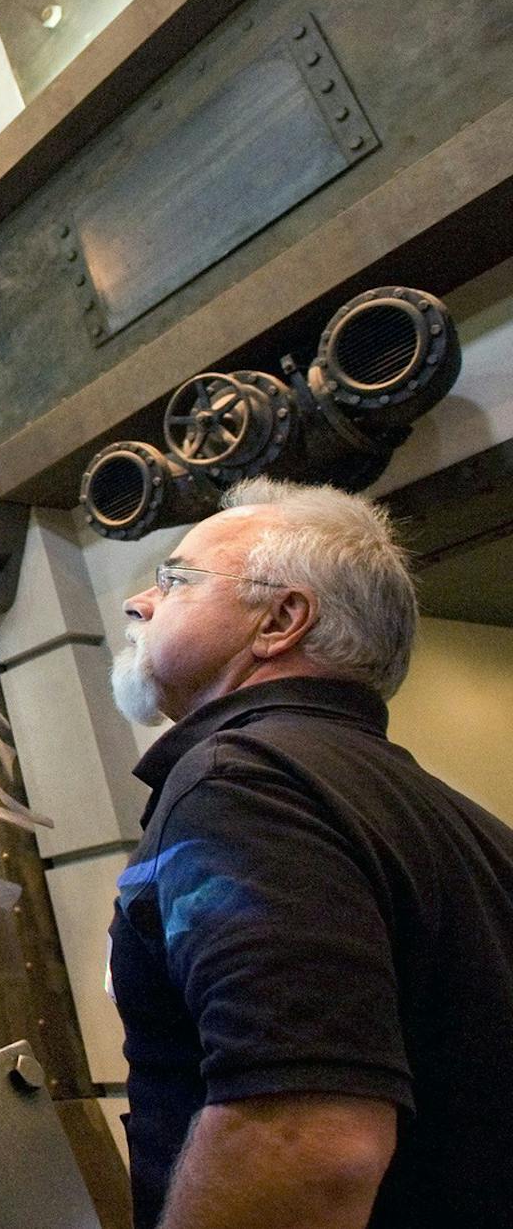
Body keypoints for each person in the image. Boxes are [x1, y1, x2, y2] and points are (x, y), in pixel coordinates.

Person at [105, 479, 513, 1228]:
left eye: (175, 579)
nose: (139, 602)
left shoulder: (240, 784)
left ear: (281, 619)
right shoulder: (461, 819)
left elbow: (304, 1145)